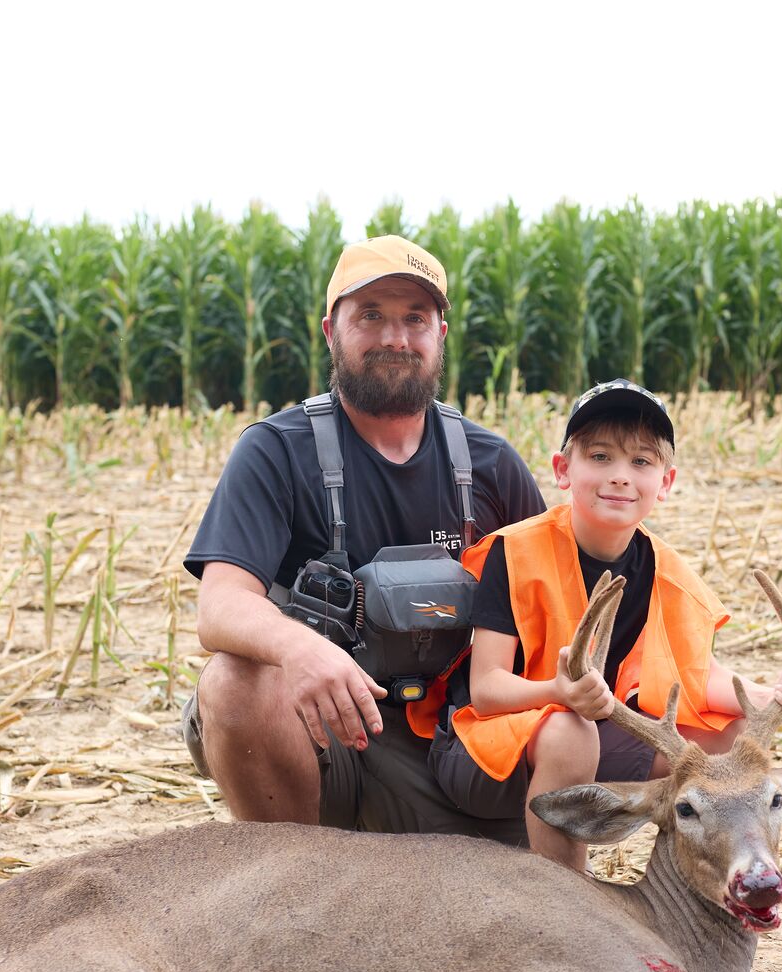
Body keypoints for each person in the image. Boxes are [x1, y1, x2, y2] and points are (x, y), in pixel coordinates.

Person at [424, 379, 782, 972]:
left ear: (666, 482)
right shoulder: (516, 551)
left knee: (725, 743)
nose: (620, 476)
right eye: (600, 457)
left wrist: (775, 693)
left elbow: (698, 679)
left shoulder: (664, 568)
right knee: (569, 729)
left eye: (641, 461)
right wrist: (558, 690)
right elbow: (487, 687)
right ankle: (571, 933)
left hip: (577, 749)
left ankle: (705, 932)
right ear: (564, 470)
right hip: (480, 750)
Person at [182, 235, 545, 838]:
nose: (395, 338)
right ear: (331, 330)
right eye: (370, 315)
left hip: (454, 745)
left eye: (415, 318)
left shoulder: (491, 464)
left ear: (440, 336)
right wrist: (300, 648)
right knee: (233, 684)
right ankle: (293, 882)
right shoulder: (275, 451)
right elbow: (219, 606)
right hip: (329, 741)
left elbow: (553, 608)